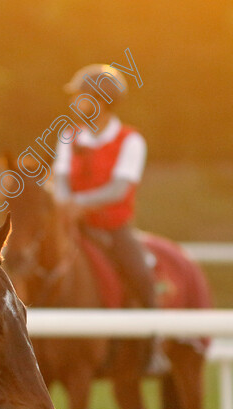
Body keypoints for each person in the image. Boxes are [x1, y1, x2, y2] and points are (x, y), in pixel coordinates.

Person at [53, 64, 165, 373]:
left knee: (141, 274)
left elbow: (119, 188)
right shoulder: (69, 136)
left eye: (80, 96)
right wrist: (64, 203)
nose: (74, 102)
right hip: (74, 226)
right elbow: (60, 177)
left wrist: (80, 202)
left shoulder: (130, 140)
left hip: (114, 228)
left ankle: (154, 346)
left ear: (98, 101)